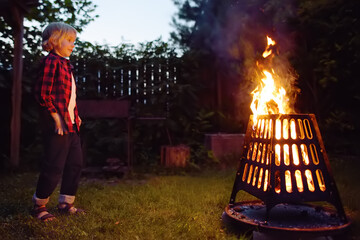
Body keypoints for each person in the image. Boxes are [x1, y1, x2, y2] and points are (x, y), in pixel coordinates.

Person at [32, 22, 84, 221]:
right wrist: (56, 117)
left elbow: (69, 96)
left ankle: (65, 203)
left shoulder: (65, 64)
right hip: (58, 127)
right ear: (54, 41)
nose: (73, 44)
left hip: (72, 125)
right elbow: (42, 93)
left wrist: (75, 114)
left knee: (75, 163)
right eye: (69, 40)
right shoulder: (51, 62)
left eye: (74, 41)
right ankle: (39, 206)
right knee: (54, 165)